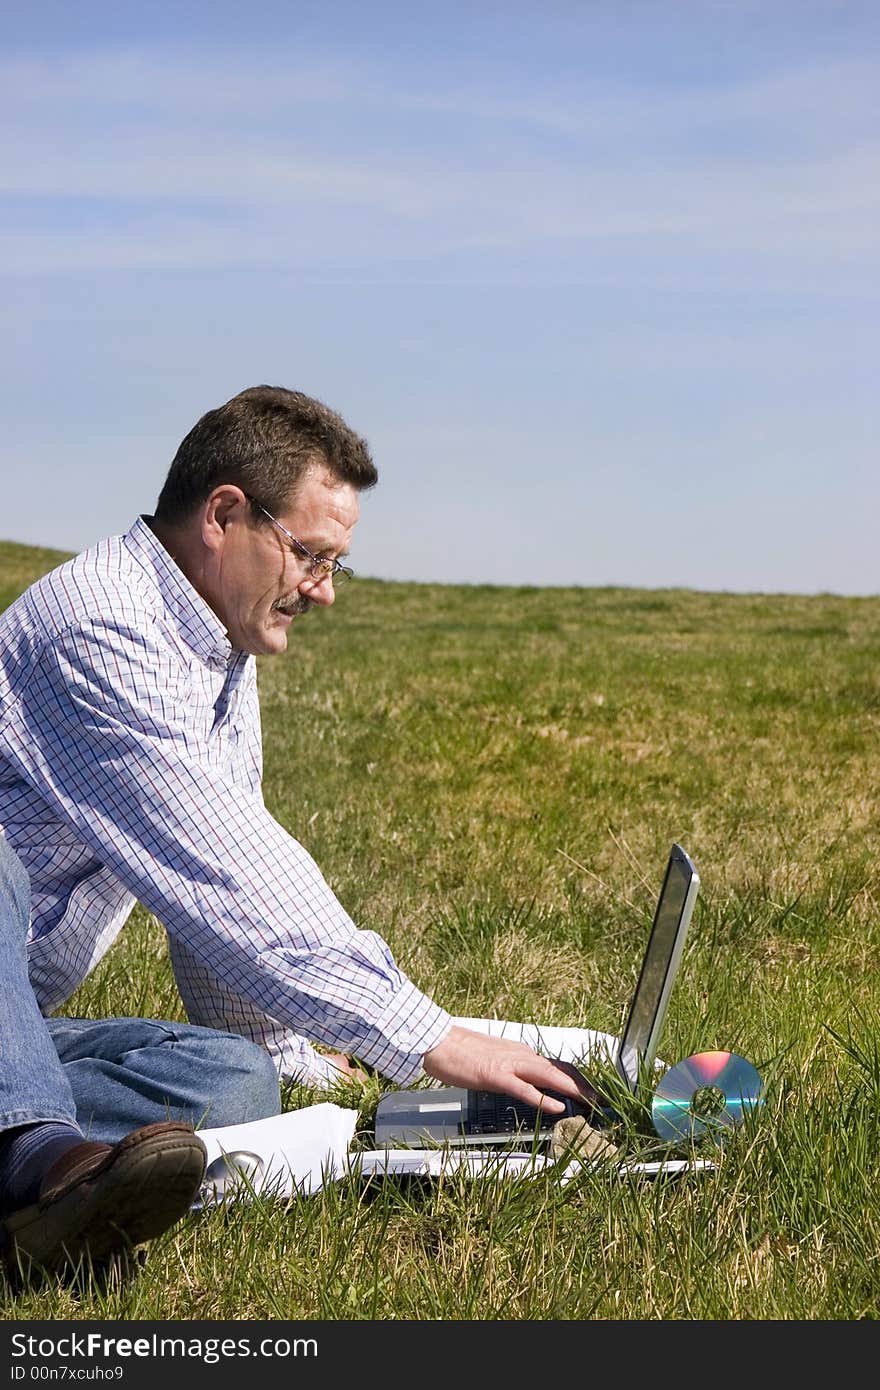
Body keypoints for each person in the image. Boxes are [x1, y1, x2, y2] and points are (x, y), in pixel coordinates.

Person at [0, 385, 586, 1278]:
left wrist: (286, 1054)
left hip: (18, 1035)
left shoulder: (211, 651)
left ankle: (38, 1141)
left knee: (236, 1081)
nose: (325, 591)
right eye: (311, 555)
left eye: (334, 564)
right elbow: (229, 874)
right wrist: (432, 1039)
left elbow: (202, 899)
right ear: (225, 516)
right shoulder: (101, 630)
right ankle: (40, 1168)